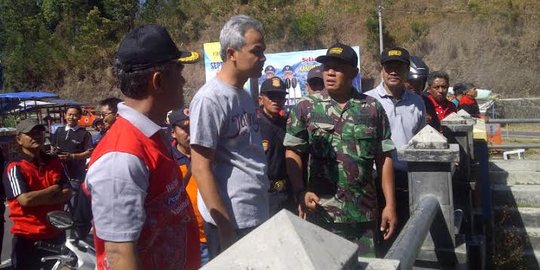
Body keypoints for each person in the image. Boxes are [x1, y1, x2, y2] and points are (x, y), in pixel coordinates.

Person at [85, 24, 200, 270]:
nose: (182, 80)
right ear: (158, 81)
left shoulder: (151, 134)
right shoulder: (121, 158)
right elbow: (118, 256)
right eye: (178, 71)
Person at [285, 42, 396, 257]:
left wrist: (390, 204)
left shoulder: (372, 108)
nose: (330, 73)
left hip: (363, 216)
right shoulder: (306, 107)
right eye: (327, 68)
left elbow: (384, 158)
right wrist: (300, 192)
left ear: (354, 72)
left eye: (338, 68)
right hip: (321, 213)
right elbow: (293, 152)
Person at [189, 14, 269, 259]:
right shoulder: (210, 99)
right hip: (231, 222)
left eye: (263, 51)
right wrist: (224, 228)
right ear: (232, 53)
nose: (263, 58)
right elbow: (201, 168)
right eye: (256, 51)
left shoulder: (243, 95)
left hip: (255, 213)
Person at [364, 47, 426, 255]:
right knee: (377, 236)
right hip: (374, 178)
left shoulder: (417, 102)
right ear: (381, 70)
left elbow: (420, 138)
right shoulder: (367, 101)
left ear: (407, 71)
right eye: (388, 67)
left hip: (407, 179)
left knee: (404, 236)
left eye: (398, 67)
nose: (393, 72)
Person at [3, 118, 72, 269]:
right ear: (19, 139)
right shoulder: (15, 166)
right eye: (30, 133)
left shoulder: (55, 162)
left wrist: (38, 197)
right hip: (28, 239)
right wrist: (53, 190)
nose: (36, 136)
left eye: (39, 132)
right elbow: (25, 200)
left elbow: (68, 193)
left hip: (56, 234)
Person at [169, 108, 209, 266]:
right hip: (185, 241)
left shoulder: (209, 154)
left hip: (212, 235)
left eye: (194, 128)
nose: (191, 133)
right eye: (185, 129)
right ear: (173, 132)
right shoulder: (168, 160)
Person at [50, 105, 93, 239]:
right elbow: (52, 147)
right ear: (65, 115)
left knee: (74, 207)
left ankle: (76, 237)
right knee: (57, 207)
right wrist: (54, 153)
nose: (71, 117)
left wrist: (72, 156)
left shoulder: (84, 134)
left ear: (80, 117)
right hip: (58, 175)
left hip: (75, 176)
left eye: (74, 115)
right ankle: (58, 236)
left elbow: (89, 152)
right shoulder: (59, 131)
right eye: (69, 114)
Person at [257, 77, 292, 215]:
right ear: (261, 99)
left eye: (280, 97)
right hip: (265, 195)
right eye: (271, 96)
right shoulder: (253, 125)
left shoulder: (289, 124)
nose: (276, 100)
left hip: (288, 193)